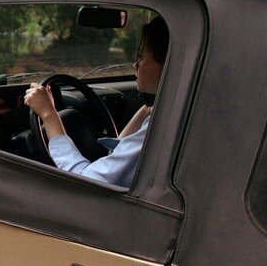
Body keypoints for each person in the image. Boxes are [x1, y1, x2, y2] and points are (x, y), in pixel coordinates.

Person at [23, 16, 169, 188]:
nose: (135, 65)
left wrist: (49, 116)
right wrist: (149, 107)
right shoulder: (165, 115)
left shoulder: (159, 128)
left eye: (141, 57)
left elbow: (86, 181)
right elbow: (119, 155)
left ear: (168, 65)